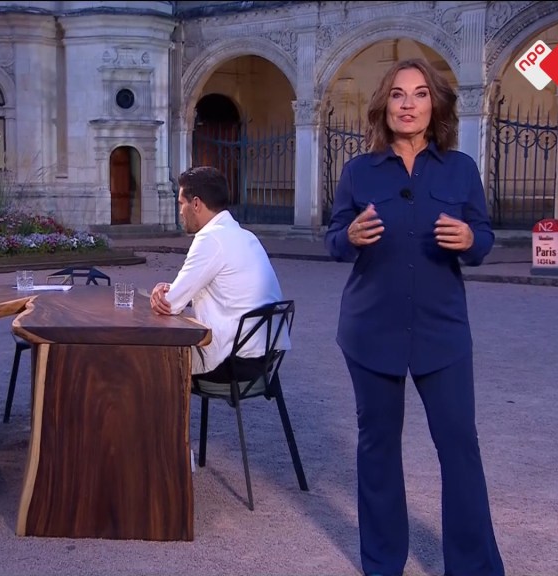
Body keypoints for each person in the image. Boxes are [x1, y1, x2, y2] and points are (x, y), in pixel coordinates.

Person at [324, 58, 505, 576]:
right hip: (371, 328)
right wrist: (348, 236)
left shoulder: (460, 168)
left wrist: (470, 240)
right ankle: (383, 564)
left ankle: (472, 567)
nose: (408, 104)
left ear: (434, 105)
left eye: (420, 93)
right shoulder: (359, 171)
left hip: (441, 330)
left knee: (459, 445)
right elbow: (334, 240)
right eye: (398, 94)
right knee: (378, 447)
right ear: (384, 104)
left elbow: (483, 238)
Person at [149, 166, 289, 386]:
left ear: (196, 204)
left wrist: (162, 294)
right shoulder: (245, 236)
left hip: (232, 362)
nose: (180, 212)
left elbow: (170, 305)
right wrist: (172, 290)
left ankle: (157, 410)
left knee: (148, 359)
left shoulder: (210, 239)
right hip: (265, 356)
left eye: (181, 204)